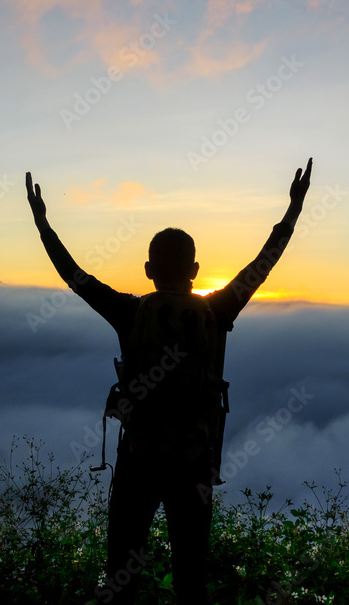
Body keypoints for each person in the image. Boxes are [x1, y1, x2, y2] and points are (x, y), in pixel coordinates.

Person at [25, 158, 313, 604]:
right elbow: (263, 263)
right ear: (195, 270)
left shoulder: (129, 311)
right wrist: (292, 211)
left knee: (122, 576)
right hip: (193, 461)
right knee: (191, 580)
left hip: (138, 458)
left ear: (147, 270)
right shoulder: (217, 311)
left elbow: (75, 276)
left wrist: (43, 225)